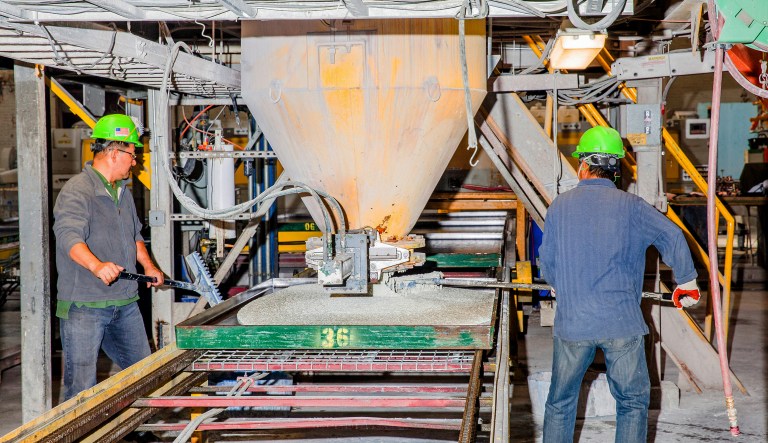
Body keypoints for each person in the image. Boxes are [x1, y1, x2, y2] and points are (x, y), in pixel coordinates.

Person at [538, 126, 701, 443]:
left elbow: (549, 262)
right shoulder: (634, 207)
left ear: (583, 164)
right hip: (622, 324)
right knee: (631, 403)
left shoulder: (559, 206)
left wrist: (562, 286)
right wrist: (687, 282)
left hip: (573, 324)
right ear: (616, 169)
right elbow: (673, 236)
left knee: (560, 404)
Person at [53, 114, 164, 401]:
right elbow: (68, 238)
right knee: (81, 390)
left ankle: (136, 431)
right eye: (132, 154)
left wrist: (149, 266)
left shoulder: (123, 193)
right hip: (86, 305)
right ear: (115, 153)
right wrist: (97, 265)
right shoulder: (78, 191)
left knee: (143, 375)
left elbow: (135, 236)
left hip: (125, 303)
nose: (135, 161)